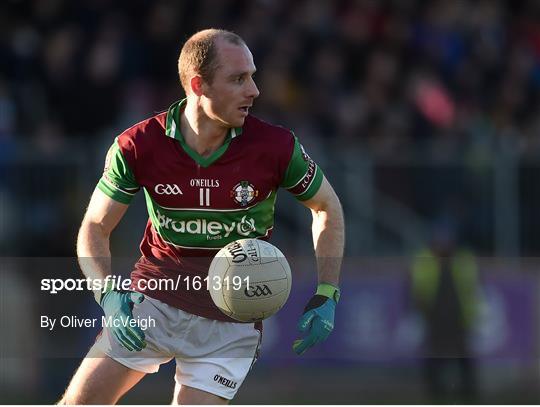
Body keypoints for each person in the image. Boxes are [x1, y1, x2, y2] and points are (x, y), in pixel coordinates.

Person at [59, 29, 344, 404]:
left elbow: (327, 208)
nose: (254, 90)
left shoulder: (276, 147)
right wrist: (108, 295)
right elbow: (94, 226)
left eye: (253, 76)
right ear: (198, 85)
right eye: (239, 79)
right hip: (154, 301)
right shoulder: (139, 145)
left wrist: (327, 293)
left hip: (231, 321)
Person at [410, 219, 480, 403]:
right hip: (435, 317)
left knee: (463, 355)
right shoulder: (425, 260)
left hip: (458, 316)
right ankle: (435, 391)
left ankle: (468, 391)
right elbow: (418, 288)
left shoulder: (463, 259)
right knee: (435, 355)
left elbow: (471, 288)